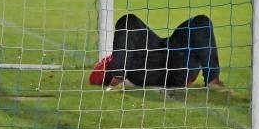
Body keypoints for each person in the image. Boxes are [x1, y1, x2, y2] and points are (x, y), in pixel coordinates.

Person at [89, 14, 226, 91]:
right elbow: (95, 77)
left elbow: (96, 76)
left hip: (176, 64)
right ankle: (117, 79)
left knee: (201, 21)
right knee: (128, 20)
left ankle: (213, 82)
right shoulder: (117, 56)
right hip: (145, 65)